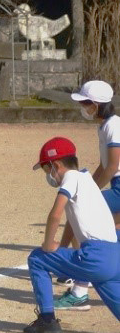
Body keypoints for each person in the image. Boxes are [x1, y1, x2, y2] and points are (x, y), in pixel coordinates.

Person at [22, 136, 120, 333]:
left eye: (46, 169)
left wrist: (48, 245)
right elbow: (73, 223)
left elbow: (55, 214)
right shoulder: (87, 180)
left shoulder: (70, 178)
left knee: (37, 259)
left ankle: (47, 320)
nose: (48, 175)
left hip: (95, 256)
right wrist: (63, 246)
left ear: (56, 164)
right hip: (114, 257)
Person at [55, 80, 120, 311]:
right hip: (117, 184)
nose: (82, 107)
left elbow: (113, 165)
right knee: (113, 233)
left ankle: (78, 281)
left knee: (79, 211)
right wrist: (87, 185)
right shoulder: (103, 126)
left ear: (97, 104)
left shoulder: (114, 125)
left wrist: (87, 192)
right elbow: (105, 167)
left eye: (85, 103)